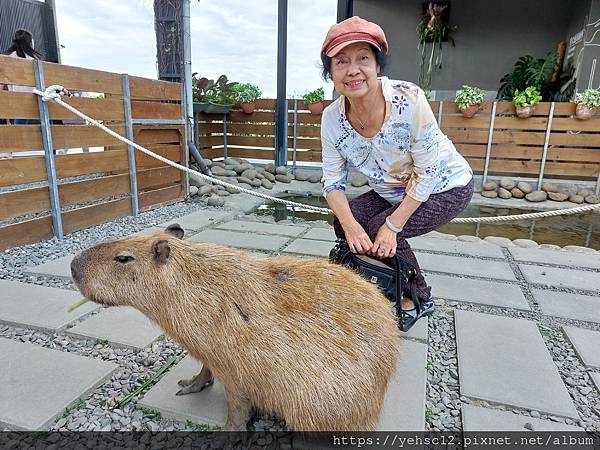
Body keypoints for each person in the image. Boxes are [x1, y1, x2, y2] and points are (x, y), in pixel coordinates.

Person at [320, 16, 474, 331]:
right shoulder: (331, 119)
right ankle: (376, 280)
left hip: (446, 186)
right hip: (391, 189)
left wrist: (392, 226)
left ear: (378, 64)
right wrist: (350, 227)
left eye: (363, 58)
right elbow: (333, 183)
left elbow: (427, 174)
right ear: (331, 72)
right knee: (347, 221)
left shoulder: (409, 100)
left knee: (382, 227)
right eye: (341, 61)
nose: (352, 70)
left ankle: (417, 295)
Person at [1, 29, 43, 159]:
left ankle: (8, 155)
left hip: (17, 105)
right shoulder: (35, 60)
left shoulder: (6, 58)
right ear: (30, 43)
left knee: (15, 136)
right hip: (36, 105)